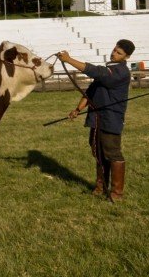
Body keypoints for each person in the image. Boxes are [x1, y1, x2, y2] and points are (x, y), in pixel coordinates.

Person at [57, 39, 135, 202]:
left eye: (119, 53)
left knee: (112, 153)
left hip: (111, 118)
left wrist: (69, 60)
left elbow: (96, 71)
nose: (114, 53)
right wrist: (78, 109)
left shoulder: (120, 72)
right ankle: (100, 188)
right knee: (99, 153)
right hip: (97, 117)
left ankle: (116, 193)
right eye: (114, 50)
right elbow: (90, 92)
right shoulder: (109, 69)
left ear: (126, 57)